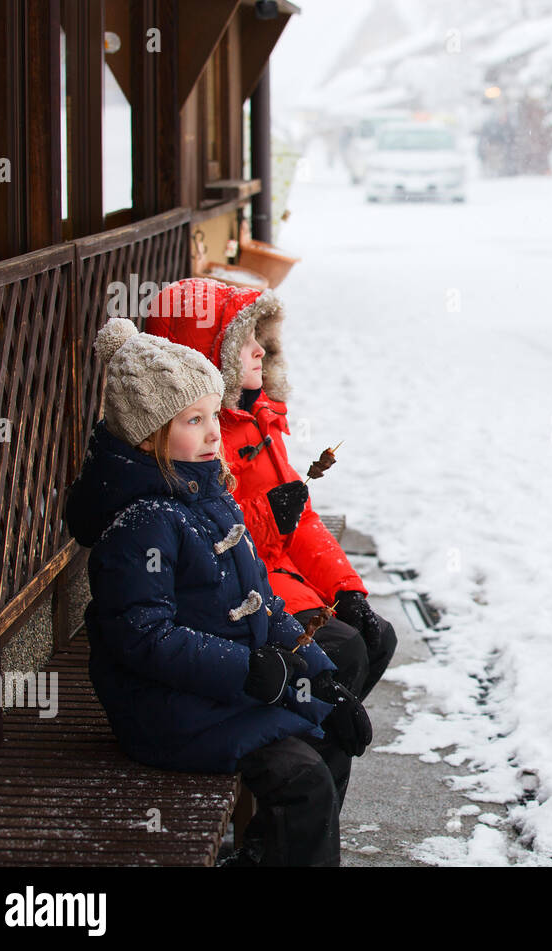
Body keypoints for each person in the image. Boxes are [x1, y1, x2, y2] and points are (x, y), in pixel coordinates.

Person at [65, 317, 373, 866]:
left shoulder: (209, 496)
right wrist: (250, 670)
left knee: (330, 736)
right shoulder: (142, 524)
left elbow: (267, 603)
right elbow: (144, 638)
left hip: (217, 694)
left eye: (213, 415)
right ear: (148, 434)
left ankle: (269, 854)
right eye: (194, 420)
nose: (214, 433)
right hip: (167, 712)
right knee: (302, 780)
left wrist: (321, 676)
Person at [145, 278, 395, 706]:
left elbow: (300, 519)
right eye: (245, 341)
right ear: (210, 355)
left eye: (261, 338)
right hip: (243, 594)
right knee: (342, 653)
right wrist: (268, 515)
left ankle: (319, 741)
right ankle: (302, 746)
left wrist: (346, 590)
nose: (260, 350)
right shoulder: (194, 439)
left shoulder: (257, 415)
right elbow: (205, 544)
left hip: (280, 577)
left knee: (377, 637)